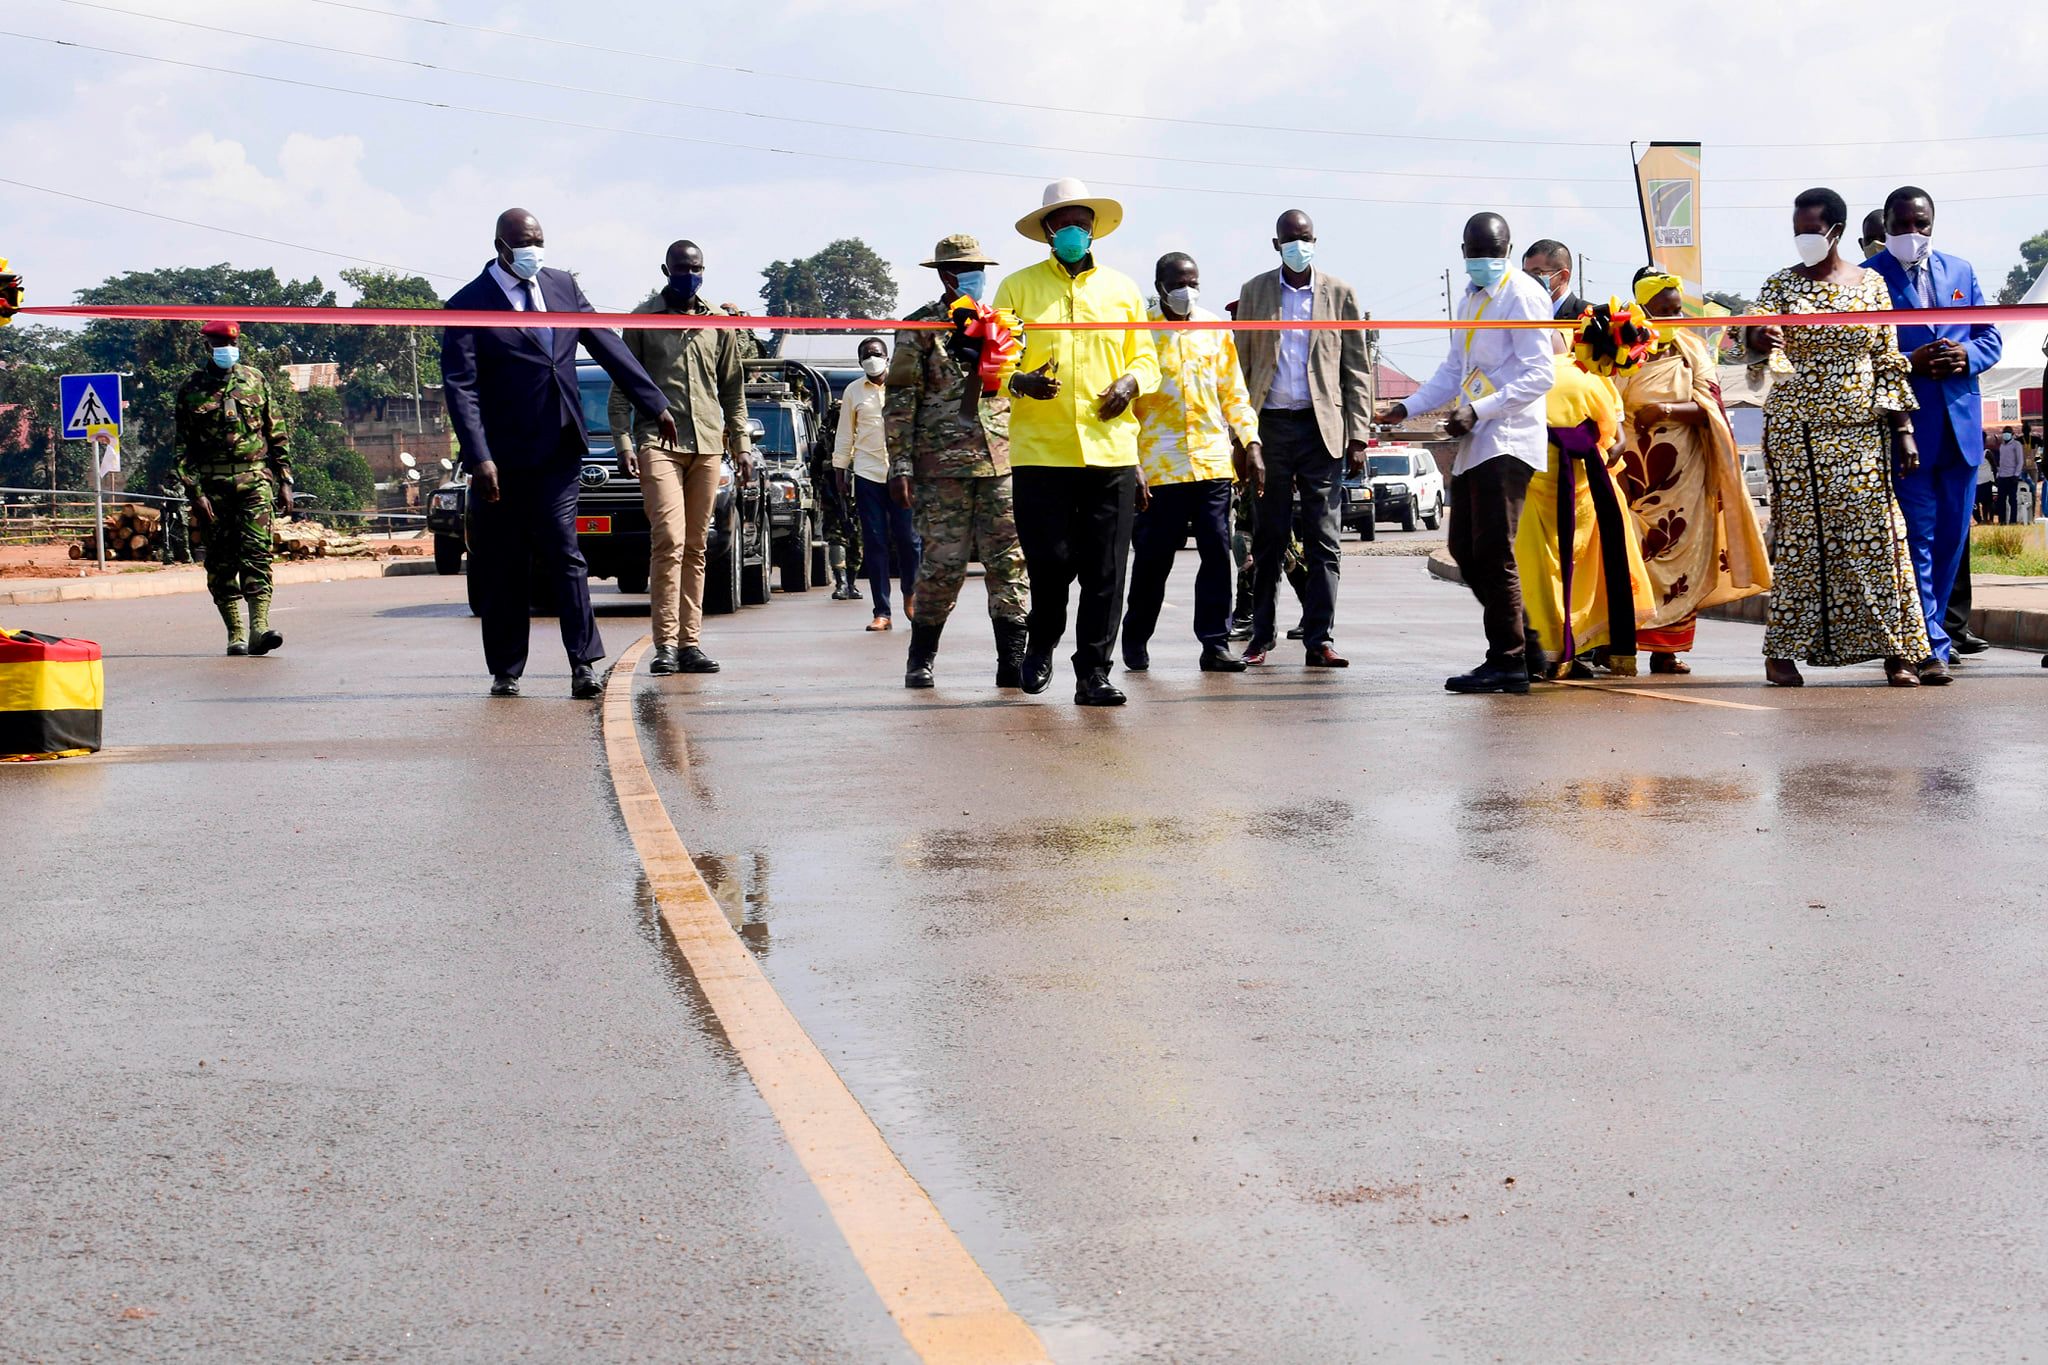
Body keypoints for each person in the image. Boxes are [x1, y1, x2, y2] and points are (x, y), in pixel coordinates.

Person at [443, 207, 675, 699]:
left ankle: (583, 664)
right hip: (499, 459)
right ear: (501, 247)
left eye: (539, 240)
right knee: (503, 563)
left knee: (564, 552)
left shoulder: (562, 287)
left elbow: (606, 343)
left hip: (559, 448)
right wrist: (478, 455)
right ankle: (506, 669)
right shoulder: (469, 303)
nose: (533, 250)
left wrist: (653, 401)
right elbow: (460, 387)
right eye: (524, 242)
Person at [1744, 187, 1928, 688]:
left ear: (1836, 232)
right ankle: (1782, 653)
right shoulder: (1779, 284)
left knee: (1877, 537)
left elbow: (1887, 360)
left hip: (1860, 430)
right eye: (1797, 230)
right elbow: (1742, 338)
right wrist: (1756, 338)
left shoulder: (1871, 288)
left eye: (1812, 230)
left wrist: (1904, 430)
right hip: (1795, 432)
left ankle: (1899, 652)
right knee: (1803, 541)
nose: (1803, 239)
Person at [993, 177, 1160, 706]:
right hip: (1042, 453)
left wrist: (1131, 383)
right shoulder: (1017, 289)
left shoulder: (1123, 290)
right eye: (1063, 223)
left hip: (1110, 450)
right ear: (1046, 231)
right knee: (1050, 563)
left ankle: (1093, 672)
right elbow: (994, 365)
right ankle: (1040, 644)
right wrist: (1019, 381)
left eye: (1082, 223)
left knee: (1107, 570)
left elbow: (1147, 359)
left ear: (1095, 231)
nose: (1073, 231)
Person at [1377, 212, 1556, 694]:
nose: (1483, 262)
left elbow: (1541, 374)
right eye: (1475, 253)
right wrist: (1406, 407)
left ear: (1508, 250)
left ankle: (1508, 661)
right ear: (1462, 253)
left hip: (1509, 439)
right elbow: (1453, 368)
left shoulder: (1523, 294)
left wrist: (1479, 410)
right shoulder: (1471, 299)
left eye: (1492, 253)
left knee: (1494, 553)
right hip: (1475, 441)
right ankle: (1528, 646)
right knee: (1463, 550)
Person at [1863, 186, 2002, 679]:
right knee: (1917, 537)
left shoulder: (1960, 270)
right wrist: (1908, 362)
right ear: (1885, 226)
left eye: (1922, 224)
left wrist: (1969, 357)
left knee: (1950, 542)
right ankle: (1929, 647)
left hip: (1961, 430)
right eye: (1902, 225)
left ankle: (1932, 633)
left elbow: (1991, 335)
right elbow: (1860, 361)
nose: (1913, 234)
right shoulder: (1866, 281)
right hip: (1906, 435)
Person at [885, 233, 1030, 689]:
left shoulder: (1004, 324)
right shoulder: (921, 328)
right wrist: (901, 465)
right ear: (946, 275)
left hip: (1001, 461)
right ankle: (921, 657)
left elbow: (1011, 383)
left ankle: (1012, 661)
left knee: (1009, 563)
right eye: (969, 271)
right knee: (942, 566)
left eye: (981, 270)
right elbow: (901, 399)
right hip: (941, 466)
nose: (978, 278)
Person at [1232, 208, 1373, 667]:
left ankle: (1320, 639)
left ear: (1316, 240)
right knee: (1269, 538)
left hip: (1322, 429)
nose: (1298, 245)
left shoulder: (1341, 294)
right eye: (1290, 239)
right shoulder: (1254, 292)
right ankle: (1261, 637)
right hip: (1269, 426)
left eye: (1306, 237)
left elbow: (1356, 369)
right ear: (1276, 245)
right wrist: (1240, 436)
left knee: (1324, 539)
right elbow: (1240, 365)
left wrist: (1358, 435)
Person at [1611, 269, 1773, 672]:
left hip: (1684, 475)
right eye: (1662, 311)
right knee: (1630, 555)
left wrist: (1664, 410)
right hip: (1628, 471)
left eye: (1676, 310)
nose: (1671, 318)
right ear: (1642, 308)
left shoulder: (1692, 348)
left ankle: (1667, 651)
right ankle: (1616, 644)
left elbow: (1711, 407)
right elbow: (1603, 400)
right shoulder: (1618, 345)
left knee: (1683, 557)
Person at [610, 239, 753, 676]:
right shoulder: (641, 321)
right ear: (665, 269)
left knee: (696, 545)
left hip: (709, 444)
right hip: (659, 442)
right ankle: (665, 644)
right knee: (668, 539)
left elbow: (733, 390)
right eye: (680, 268)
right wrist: (623, 443)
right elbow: (623, 386)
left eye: (695, 268)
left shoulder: (718, 324)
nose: (688, 275)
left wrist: (742, 446)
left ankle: (691, 643)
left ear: (704, 270)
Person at [1122, 251, 1260, 673]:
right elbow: (1125, 406)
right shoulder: (1137, 331)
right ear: (1160, 286)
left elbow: (1233, 392)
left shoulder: (1215, 328)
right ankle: (1136, 637)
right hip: (1158, 466)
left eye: (1194, 282)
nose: (1187, 290)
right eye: (1179, 283)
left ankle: (1215, 644)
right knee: (1152, 560)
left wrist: (1250, 441)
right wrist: (1132, 463)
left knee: (1217, 553)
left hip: (1212, 462)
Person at [1514, 328, 1652, 676]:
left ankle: (1547, 651)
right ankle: (1587, 646)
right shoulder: (1587, 377)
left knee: (1539, 572)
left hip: (1531, 482)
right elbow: (1611, 434)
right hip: (1587, 485)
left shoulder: (1514, 378)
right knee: (1592, 571)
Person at [174, 319, 294, 656]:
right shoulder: (191, 388)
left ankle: (259, 627)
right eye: (217, 344)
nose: (225, 350)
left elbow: (277, 433)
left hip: (254, 481)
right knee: (221, 561)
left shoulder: (255, 380)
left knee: (257, 554)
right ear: (207, 347)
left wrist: (285, 480)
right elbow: (181, 447)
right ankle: (236, 634)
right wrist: (193, 492)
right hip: (212, 487)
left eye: (230, 343)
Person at [836, 336, 920, 631]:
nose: (872, 358)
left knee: (909, 541)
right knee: (875, 543)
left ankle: (910, 593)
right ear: (860, 362)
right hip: (867, 474)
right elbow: (845, 433)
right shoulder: (853, 391)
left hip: (903, 474)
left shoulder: (905, 386)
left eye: (876, 353)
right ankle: (882, 610)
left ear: (887, 357)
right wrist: (840, 470)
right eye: (866, 355)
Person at [1522, 239, 1587, 322]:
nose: (1528, 279)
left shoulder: (1588, 317)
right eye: (1525, 273)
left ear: (1563, 276)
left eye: (1537, 273)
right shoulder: (1520, 316)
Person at [1997, 428, 2025, 523]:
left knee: (2012, 500)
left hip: (2012, 476)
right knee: (2001, 500)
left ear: (2012, 434)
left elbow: (2020, 461)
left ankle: (2013, 521)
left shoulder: (2016, 445)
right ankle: (2002, 521)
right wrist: (1999, 475)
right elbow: (2001, 462)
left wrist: (2016, 474)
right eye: (2004, 433)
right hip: (2002, 476)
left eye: (2008, 433)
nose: (2006, 435)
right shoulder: (2002, 446)